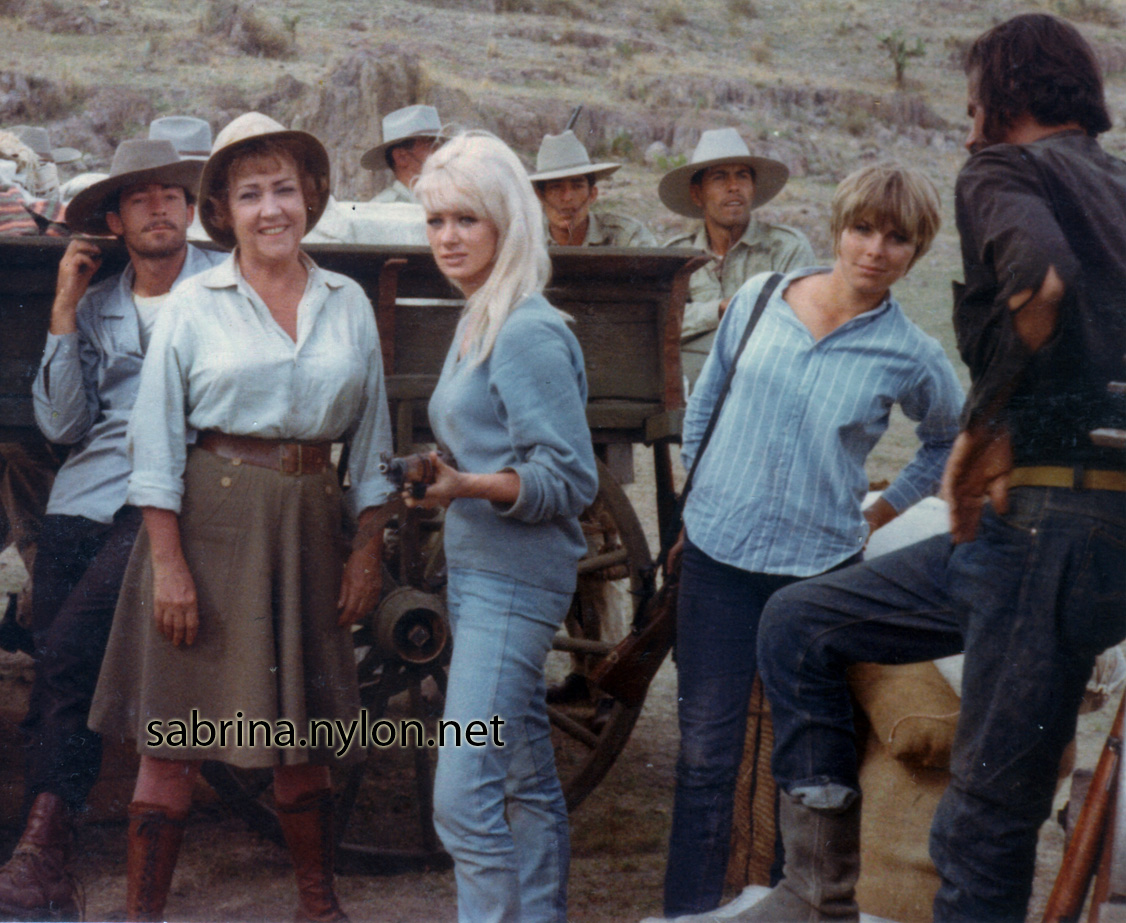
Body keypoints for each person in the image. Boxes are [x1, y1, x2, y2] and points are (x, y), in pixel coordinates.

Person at [724, 14, 1126, 923]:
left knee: (984, 829)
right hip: (1083, 542)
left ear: (1006, 97)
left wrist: (983, 430)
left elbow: (1040, 284)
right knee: (800, 621)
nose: (969, 126)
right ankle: (815, 889)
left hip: (1039, 531)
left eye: (975, 103)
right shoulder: (1119, 186)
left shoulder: (1005, 170)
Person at [88, 112, 396, 922]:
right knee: (174, 739)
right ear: (222, 210)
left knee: (305, 739)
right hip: (208, 530)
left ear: (310, 197)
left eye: (283, 189)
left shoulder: (347, 302)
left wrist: (367, 547)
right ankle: (143, 915)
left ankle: (318, 907)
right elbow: (155, 442)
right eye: (250, 193)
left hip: (310, 530)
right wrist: (169, 565)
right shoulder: (194, 304)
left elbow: (372, 442)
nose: (271, 209)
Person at [661, 162, 964, 918]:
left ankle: (777, 904)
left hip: (817, 575)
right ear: (838, 226)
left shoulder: (912, 352)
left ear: (917, 251)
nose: (876, 250)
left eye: (898, 238)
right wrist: (699, 498)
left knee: (798, 763)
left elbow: (947, 441)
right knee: (705, 756)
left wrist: (880, 513)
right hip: (719, 559)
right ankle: (687, 910)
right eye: (863, 229)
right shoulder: (762, 298)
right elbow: (705, 402)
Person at [0, 137, 221, 921]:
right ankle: (45, 844)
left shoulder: (225, 288)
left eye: (172, 194)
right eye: (139, 197)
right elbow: (63, 426)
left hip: (178, 493)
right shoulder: (99, 305)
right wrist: (65, 306)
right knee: (53, 660)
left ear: (191, 211)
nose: (159, 207)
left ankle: (45, 849)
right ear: (117, 221)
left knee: (66, 651)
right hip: (88, 497)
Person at [407, 130, 598, 923]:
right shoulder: (479, 315)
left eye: (467, 219)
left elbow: (571, 478)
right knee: (522, 776)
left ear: (507, 222)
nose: (447, 237)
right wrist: (446, 471)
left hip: (514, 584)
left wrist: (465, 485)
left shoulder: (525, 329)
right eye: (436, 220)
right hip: (482, 573)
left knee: (461, 799)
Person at [660, 127, 814, 388]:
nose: (734, 187)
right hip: (690, 391)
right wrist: (719, 309)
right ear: (697, 194)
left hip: (766, 386)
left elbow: (800, 325)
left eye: (742, 176)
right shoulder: (677, 256)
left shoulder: (786, 248)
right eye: (719, 178)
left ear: (753, 188)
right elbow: (659, 323)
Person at [530, 129, 655, 248]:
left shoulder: (627, 235)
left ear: (592, 194)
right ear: (540, 196)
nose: (567, 198)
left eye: (577, 187)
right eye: (556, 188)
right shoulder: (527, 241)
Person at [361, 103, 443, 204]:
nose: (441, 152)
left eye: (440, 145)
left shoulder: (443, 202)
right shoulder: (384, 207)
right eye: (431, 145)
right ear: (401, 157)